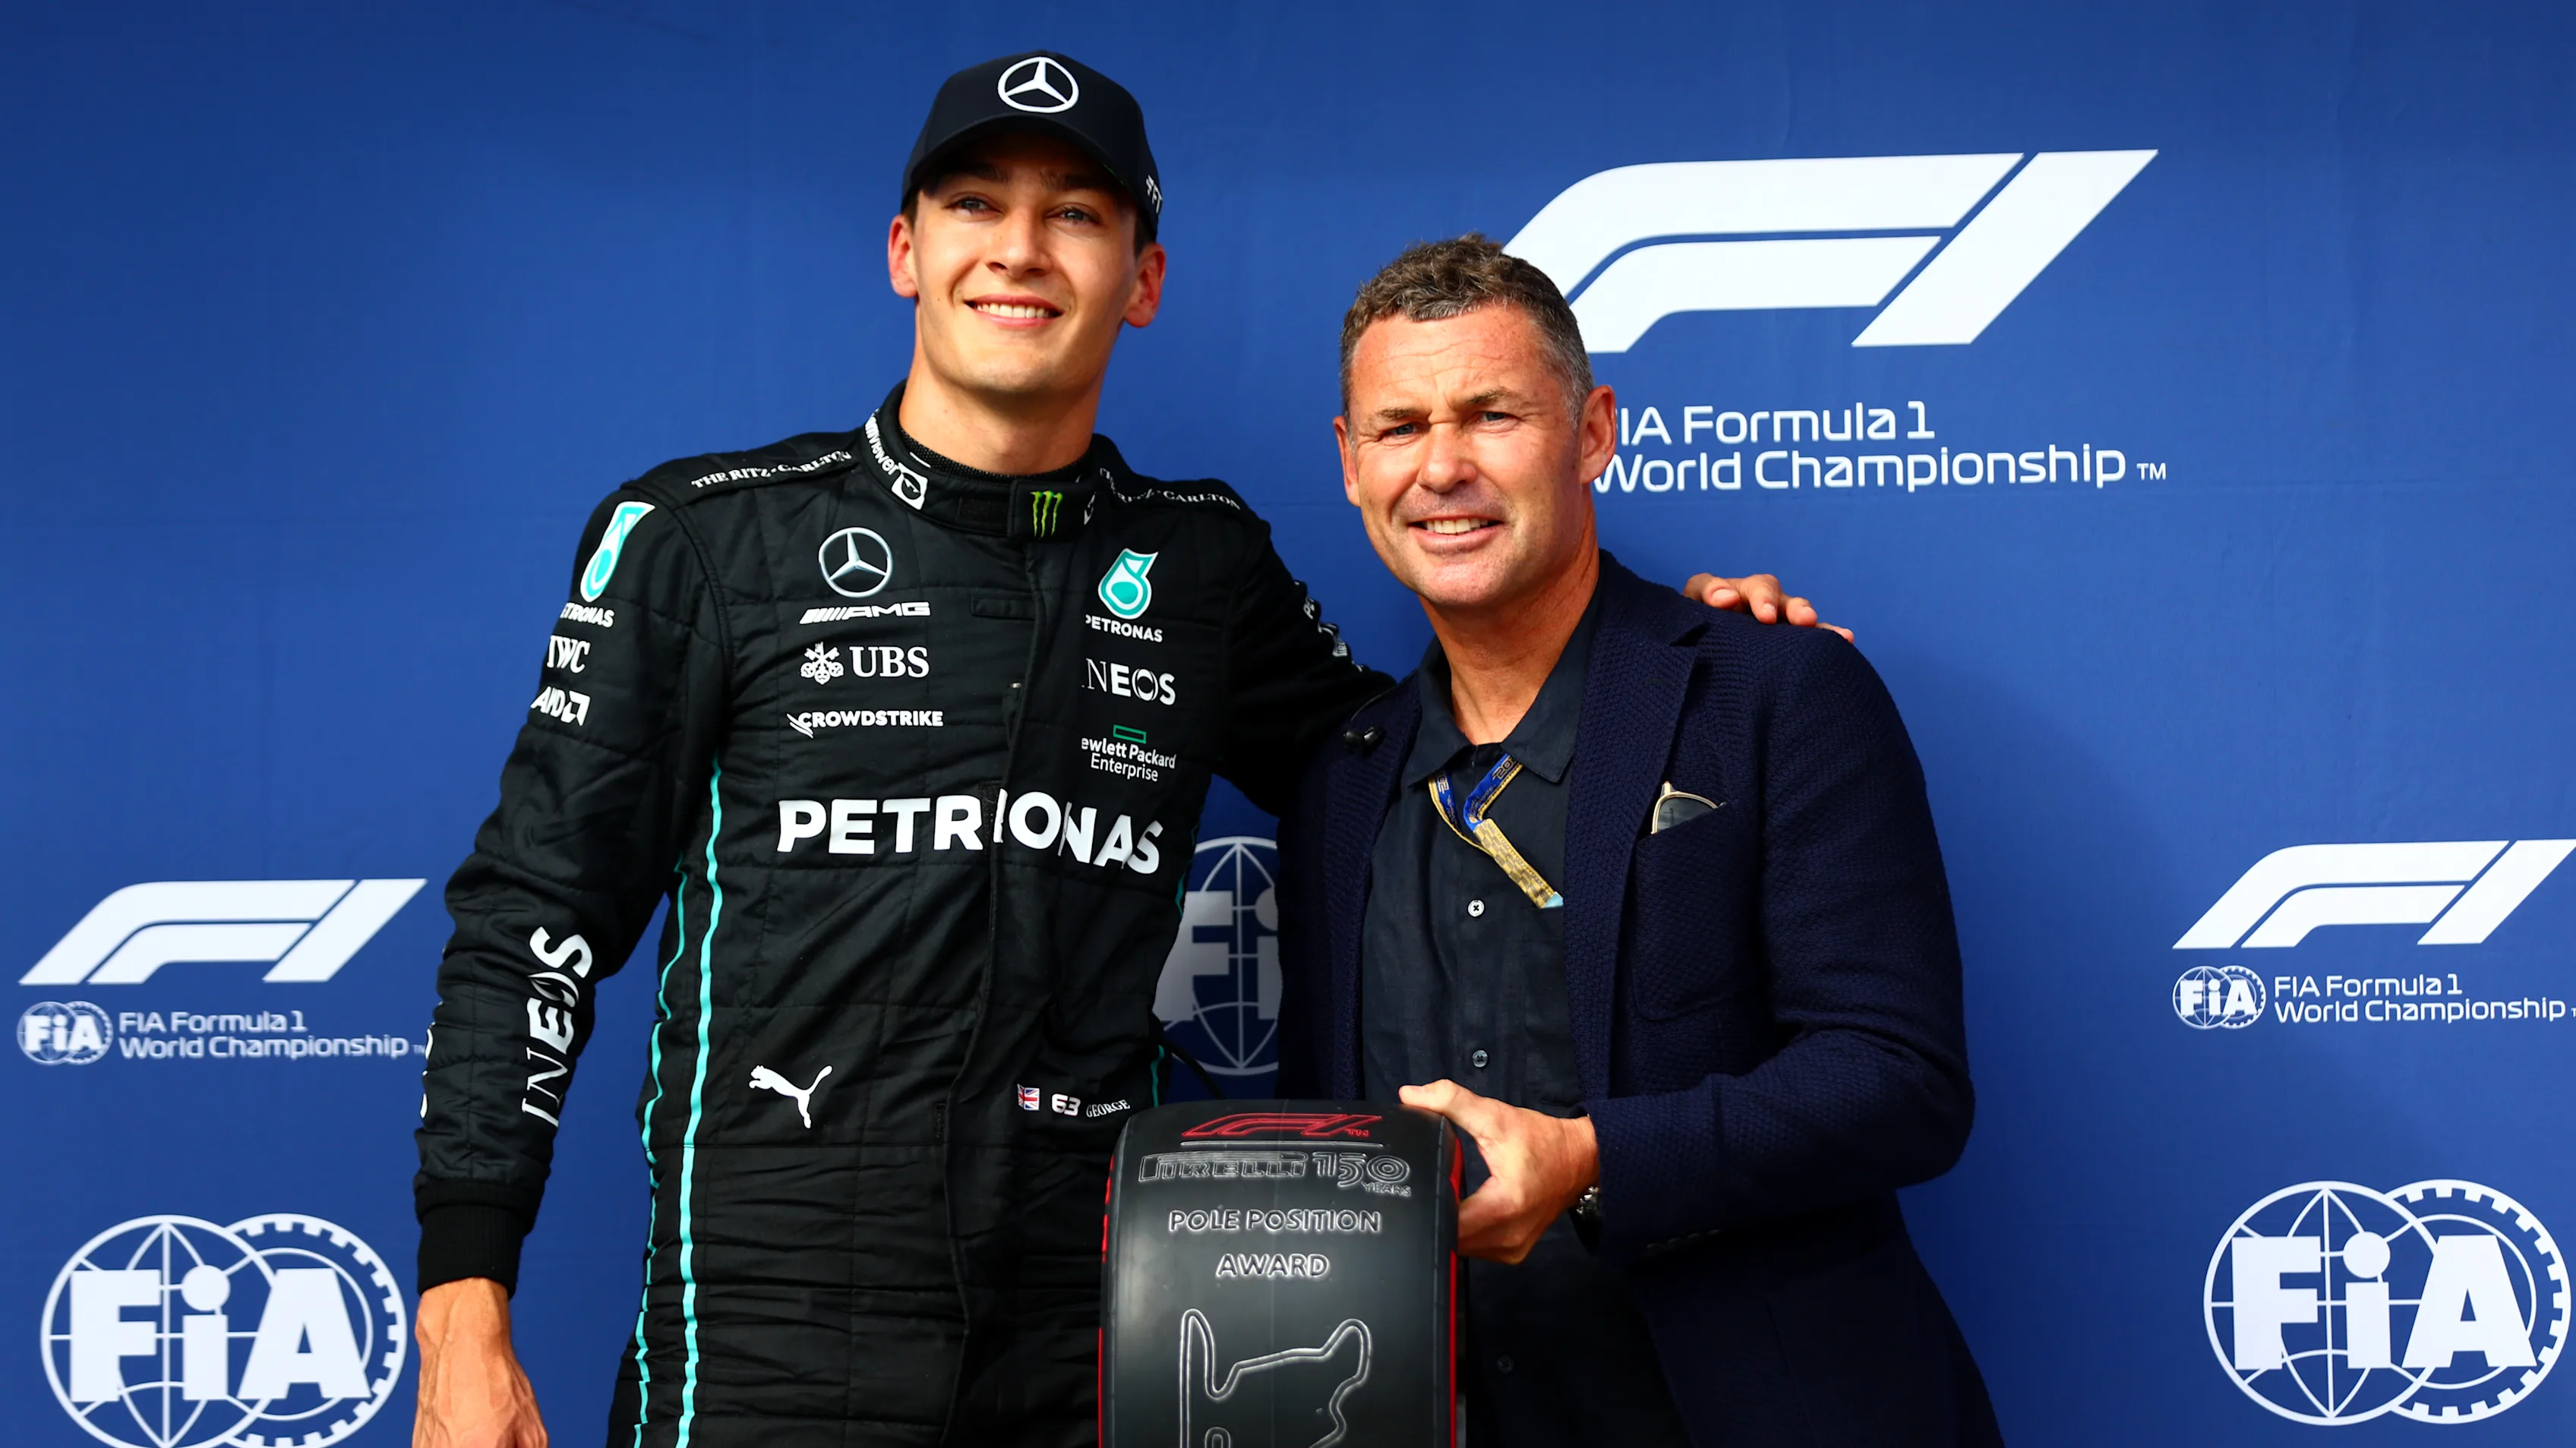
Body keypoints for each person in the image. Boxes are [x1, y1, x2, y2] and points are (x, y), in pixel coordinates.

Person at [410, 54, 1825, 1448]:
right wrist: (466, 1301)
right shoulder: (707, 541)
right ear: (907, 250)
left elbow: (1421, 769)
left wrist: (1662, 654)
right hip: (769, 1333)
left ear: (1141, 279)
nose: (1019, 250)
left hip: (1097, 1333)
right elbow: (531, 917)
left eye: (1078, 213)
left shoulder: (1200, 565)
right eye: (975, 204)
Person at [1276, 235, 2002, 1447]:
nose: (1442, 466)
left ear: (1594, 431)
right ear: (1352, 466)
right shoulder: (1339, 779)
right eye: (1399, 428)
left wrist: (1593, 1154)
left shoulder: (1775, 691)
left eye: (1493, 413)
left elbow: (1900, 1079)